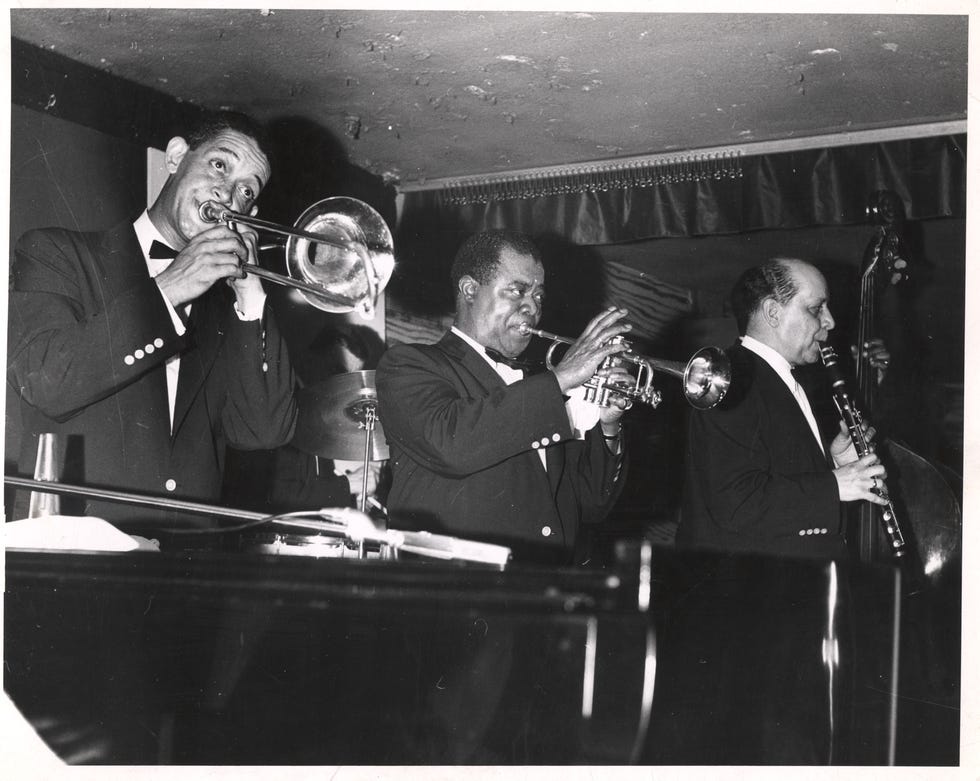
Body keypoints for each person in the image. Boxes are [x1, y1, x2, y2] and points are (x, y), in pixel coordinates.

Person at [7, 110, 297, 532]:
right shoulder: (58, 253)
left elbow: (264, 432)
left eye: (246, 191)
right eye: (220, 165)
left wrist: (251, 296)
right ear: (177, 156)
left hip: (186, 570)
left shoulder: (227, 311)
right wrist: (169, 289)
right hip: (75, 557)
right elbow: (44, 381)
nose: (229, 195)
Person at [376, 230, 630, 564]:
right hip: (460, 595)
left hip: (544, 590)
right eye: (518, 291)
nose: (532, 308)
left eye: (539, 296)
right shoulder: (410, 364)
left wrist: (608, 426)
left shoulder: (542, 391)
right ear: (469, 290)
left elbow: (591, 503)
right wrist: (562, 379)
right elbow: (452, 443)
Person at [677, 257, 890, 559]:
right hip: (745, 593)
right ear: (773, 312)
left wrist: (837, 462)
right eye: (816, 308)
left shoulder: (776, 378)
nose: (830, 321)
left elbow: (779, 478)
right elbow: (736, 502)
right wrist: (834, 486)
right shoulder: (730, 379)